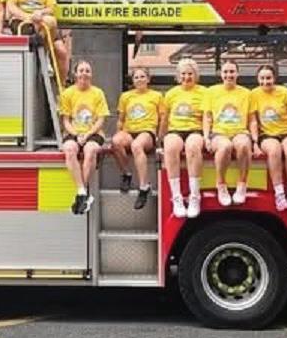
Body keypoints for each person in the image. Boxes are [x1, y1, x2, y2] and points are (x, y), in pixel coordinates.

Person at [249, 64, 287, 211]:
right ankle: (280, 194)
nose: (265, 82)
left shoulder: (284, 92)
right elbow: (253, 121)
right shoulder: (254, 94)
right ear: (258, 79)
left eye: (268, 78)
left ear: (274, 78)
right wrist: (255, 142)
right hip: (266, 134)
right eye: (262, 78)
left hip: (286, 131)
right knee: (274, 150)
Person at [5, 0, 70, 80]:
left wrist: (40, 13)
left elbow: (51, 8)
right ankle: (44, 58)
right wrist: (29, 17)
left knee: (62, 52)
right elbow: (11, 7)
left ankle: (61, 86)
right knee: (50, 22)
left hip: (43, 21)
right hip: (22, 21)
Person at [59, 60, 109, 215]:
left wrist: (87, 135)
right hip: (74, 132)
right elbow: (65, 120)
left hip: (94, 133)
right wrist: (75, 134)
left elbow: (101, 119)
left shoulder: (98, 93)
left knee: (91, 149)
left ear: (91, 74)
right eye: (81, 70)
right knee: (69, 149)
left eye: (87, 70)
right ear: (75, 74)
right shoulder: (67, 93)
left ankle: (82, 193)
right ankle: (82, 192)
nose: (84, 73)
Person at [161, 58, 207, 219]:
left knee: (192, 147)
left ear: (196, 75)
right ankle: (177, 197)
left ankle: (194, 196)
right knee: (170, 146)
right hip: (175, 130)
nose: (187, 77)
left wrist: (207, 137)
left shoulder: (204, 92)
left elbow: (208, 116)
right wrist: (160, 138)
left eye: (190, 74)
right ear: (178, 76)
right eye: (183, 74)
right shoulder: (171, 94)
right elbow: (165, 118)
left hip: (195, 129)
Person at [204, 60, 253, 207]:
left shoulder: (247, 93)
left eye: (232, 71)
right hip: (218, 133)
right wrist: (206, 137)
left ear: (237, 73)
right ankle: (221, 184)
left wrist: (255, 141)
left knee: (243, 145)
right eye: (225, 72)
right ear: (220, 74)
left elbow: (252, 120)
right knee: (225, 146)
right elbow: (207, 117)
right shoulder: (211, 92)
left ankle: (242, 184)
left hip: (240, 132)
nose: (229, 75)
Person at [112, 67, 162, 210]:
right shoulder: (125, 96)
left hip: (147, 132)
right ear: (132, 80)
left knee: (136, 145)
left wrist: (159, 139)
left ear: (148, 79)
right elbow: (121, 119)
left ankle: (144, 187)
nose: (139, 80)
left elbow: (162, 119)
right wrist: (118, 133)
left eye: (142, 77)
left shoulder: (157, 96)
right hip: (129, 131)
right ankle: (127, 174)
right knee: (115, 141)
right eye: (136, 77)